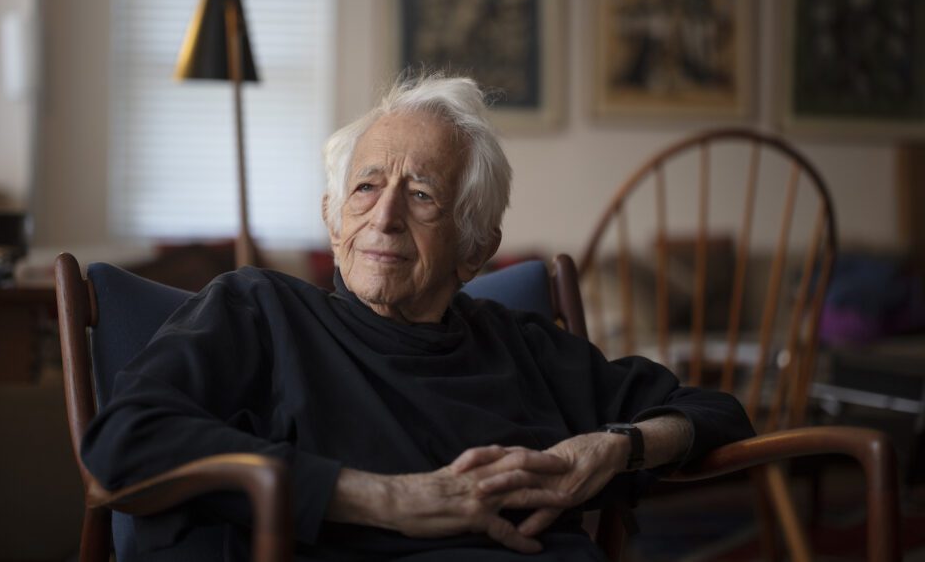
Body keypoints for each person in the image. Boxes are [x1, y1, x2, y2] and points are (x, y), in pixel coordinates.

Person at [82, 74, 755, 561]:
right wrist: (386, 498)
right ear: (332, 215)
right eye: (367, 186)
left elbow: (715, 410)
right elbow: (125, 439)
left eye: (423, 193)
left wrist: (617, 446)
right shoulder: (261, 310)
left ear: (475, 248)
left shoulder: (516, 343)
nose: (385, 216)